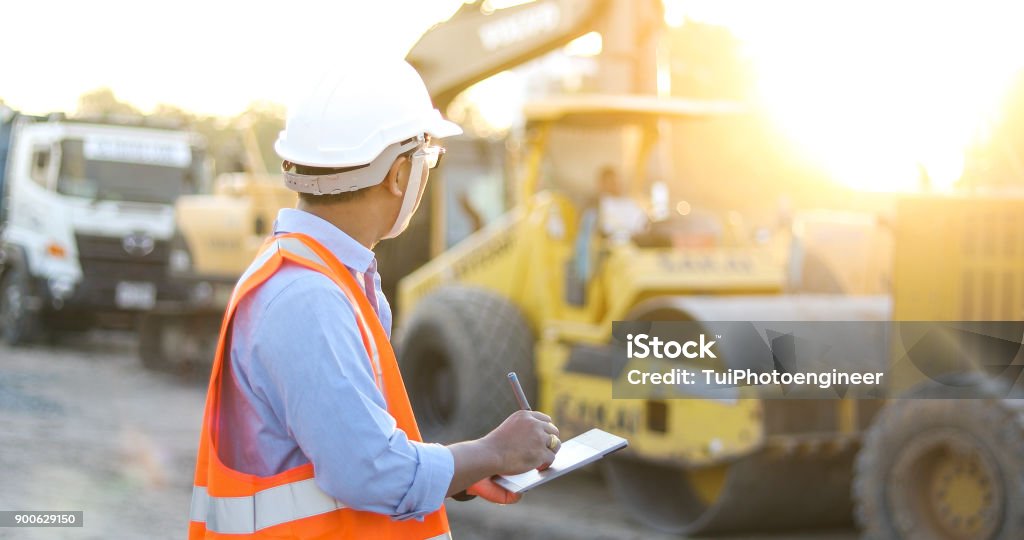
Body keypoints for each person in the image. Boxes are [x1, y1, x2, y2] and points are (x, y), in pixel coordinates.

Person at [188, 58, 560, 539]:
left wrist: (462, 471)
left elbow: (347, 445)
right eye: (430, 159)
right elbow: (368, 471)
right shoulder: (308, 297)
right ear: (400, 176)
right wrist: (494, 451)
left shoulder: (323, 278)